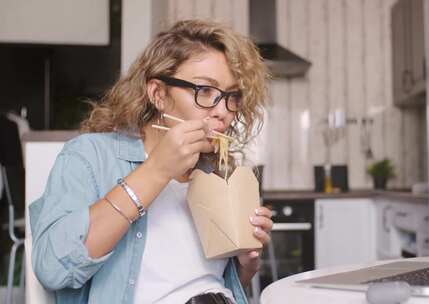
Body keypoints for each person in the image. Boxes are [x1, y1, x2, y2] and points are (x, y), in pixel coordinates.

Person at [29, 20, 272, 304]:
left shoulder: (215, 171)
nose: (223, 111)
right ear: (158, 94)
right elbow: (53, 269)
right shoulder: (90, 156)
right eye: (205, 91)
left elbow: (209, 282)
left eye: (232, 96)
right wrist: (157, 170)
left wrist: (245, 264)